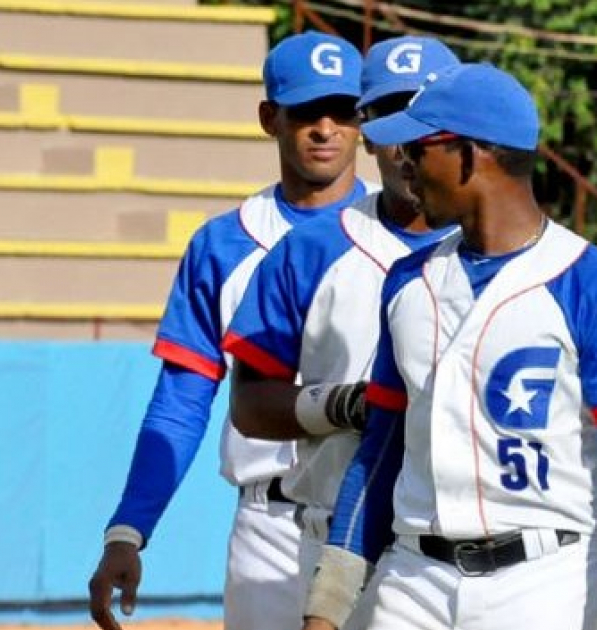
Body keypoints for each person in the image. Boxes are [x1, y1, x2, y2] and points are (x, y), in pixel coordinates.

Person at [301, 63, 597, 630]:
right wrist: (327, 604)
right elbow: (379, 450)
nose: (404, 163)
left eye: (418, 147)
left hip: (544, 582)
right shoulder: (407, 281)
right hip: (413, 580)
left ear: (469, 156)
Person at [87, 32, 372, 630]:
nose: (326, 128)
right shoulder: (224, 243)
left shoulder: (401, 235)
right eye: (306, 112)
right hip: (267, 525)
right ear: (270, 118)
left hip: (373, 512)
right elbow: (182, 400)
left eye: (342, 111)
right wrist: (128, 529)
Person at [219, 34, 460, 615]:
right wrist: (346, 406)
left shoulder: (507, 253)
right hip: (334, 541)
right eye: (390, 115)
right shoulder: (309, 250)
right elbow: (250, 405)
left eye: (427, 116)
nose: (409, 142)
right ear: (367, 130)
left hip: (467, 556)